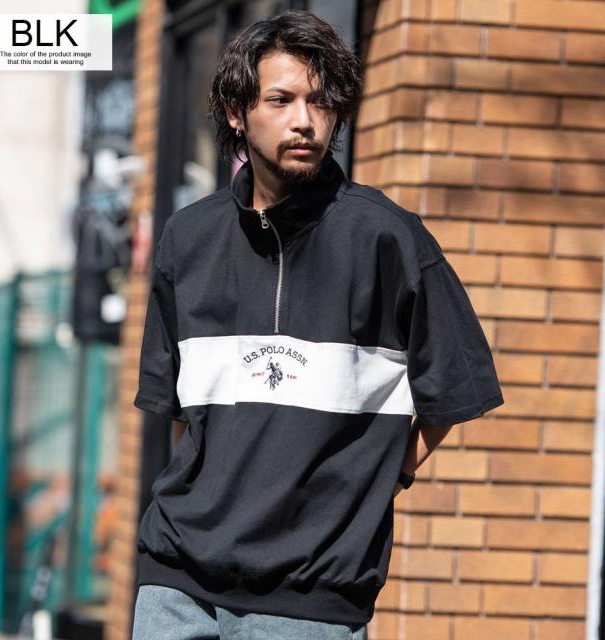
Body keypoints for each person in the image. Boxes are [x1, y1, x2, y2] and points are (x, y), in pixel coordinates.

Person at [131, 9, 504, 640]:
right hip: (176, 585)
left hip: (313, 600)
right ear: (237, 112)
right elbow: (179, 412)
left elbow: (452, 394)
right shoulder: (188, 239)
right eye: (281, 100)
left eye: (320, 101)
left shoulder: (389, 238)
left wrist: (386, 477)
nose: (305, 120)